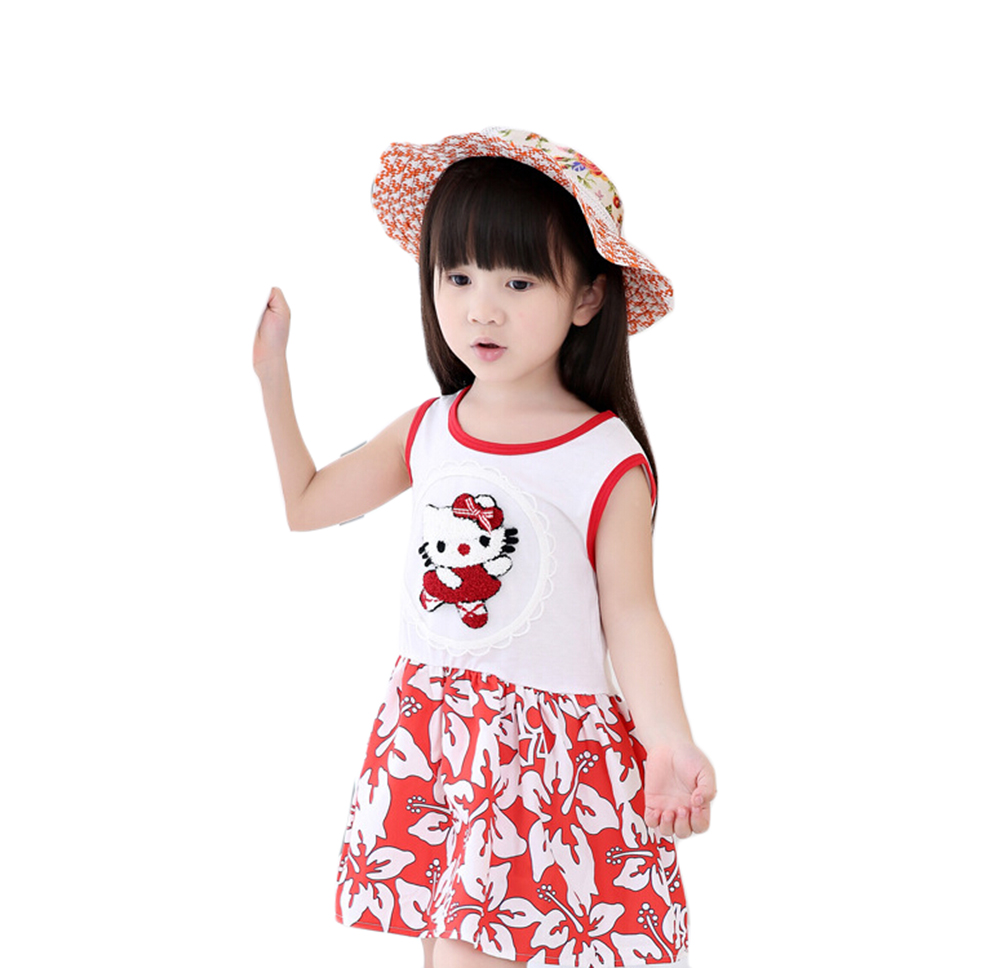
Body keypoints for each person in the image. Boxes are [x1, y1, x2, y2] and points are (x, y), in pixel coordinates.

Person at [253, 128, 716, 968]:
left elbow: (633, 616)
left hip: (547, 758)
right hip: (439, 737)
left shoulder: (604, 457)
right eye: (458, 276)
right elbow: (309, 505)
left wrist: (669, 738)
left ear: (587, 298)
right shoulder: (431, 428)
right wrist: (272, 377)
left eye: (518, 281)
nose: (481, 309)